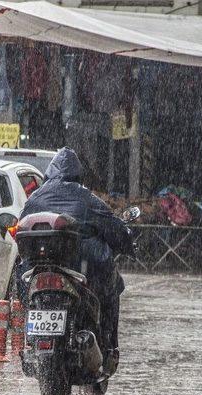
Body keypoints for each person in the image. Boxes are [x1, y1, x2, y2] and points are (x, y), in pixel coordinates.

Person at [18, 147, 134, 374]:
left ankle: (30, 340)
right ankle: (110, 348)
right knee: (113, 290)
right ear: (78, 174)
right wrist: (128, 242)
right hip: (80, 270)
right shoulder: (86, 198)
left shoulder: (34, 198)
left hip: (37, 271)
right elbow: (115, 229)